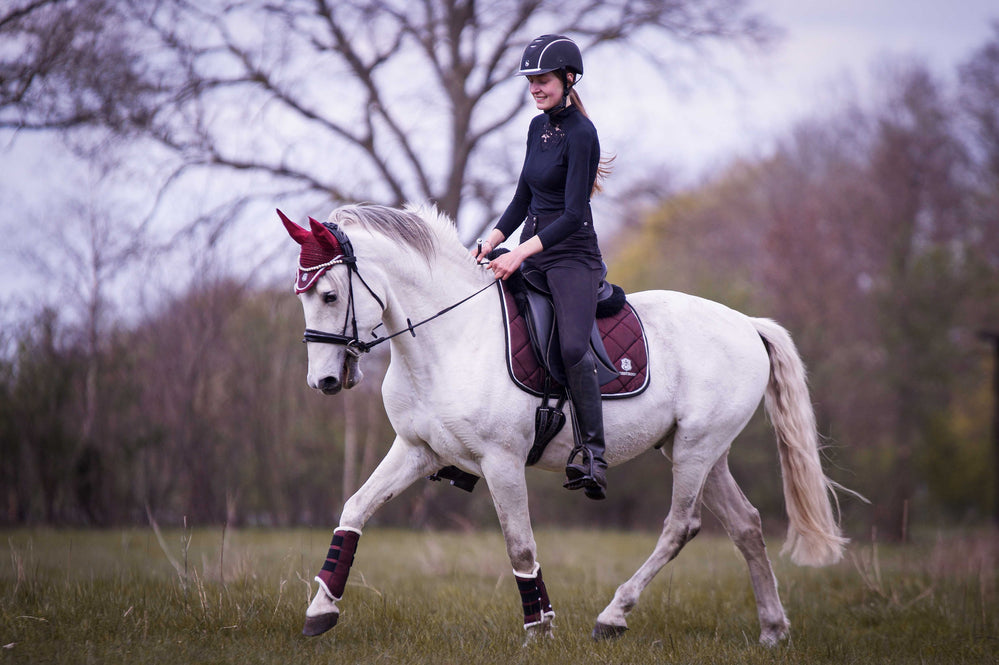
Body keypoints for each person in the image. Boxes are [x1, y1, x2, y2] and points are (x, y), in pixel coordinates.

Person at [472, 34, 611, 501]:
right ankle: (466, 442)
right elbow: (522, 198)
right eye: (530, 81)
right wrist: (491, 241)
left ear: (568, 79)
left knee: (572, 347)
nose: (535, 88)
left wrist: (519, 253)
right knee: (487, 314)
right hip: (532, 248)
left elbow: (572, 215)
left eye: (543, 80)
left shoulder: (583, 134)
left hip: (572, 256)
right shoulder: (537, 128)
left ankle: (593, 455)